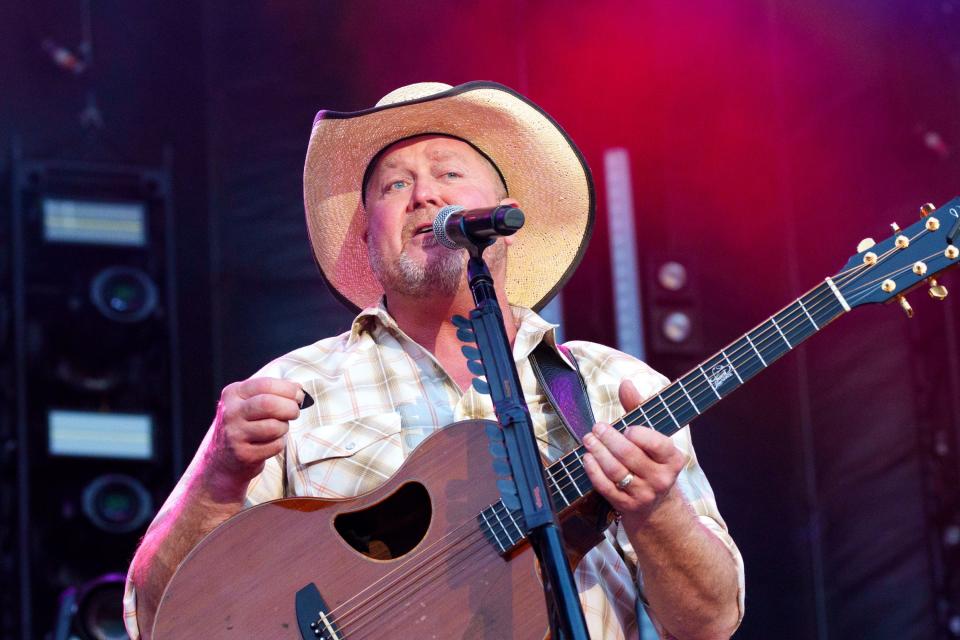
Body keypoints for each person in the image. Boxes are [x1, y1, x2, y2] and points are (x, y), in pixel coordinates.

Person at [124, 81, 744, 639]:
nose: (424, 194)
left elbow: (709, 622)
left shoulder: (613, 387)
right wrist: (218, 475)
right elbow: (157, 621)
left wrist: (655, 511)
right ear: (368, 237)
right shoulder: (294, 386)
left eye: (449, 175)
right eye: (395, 185)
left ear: (505, 216)